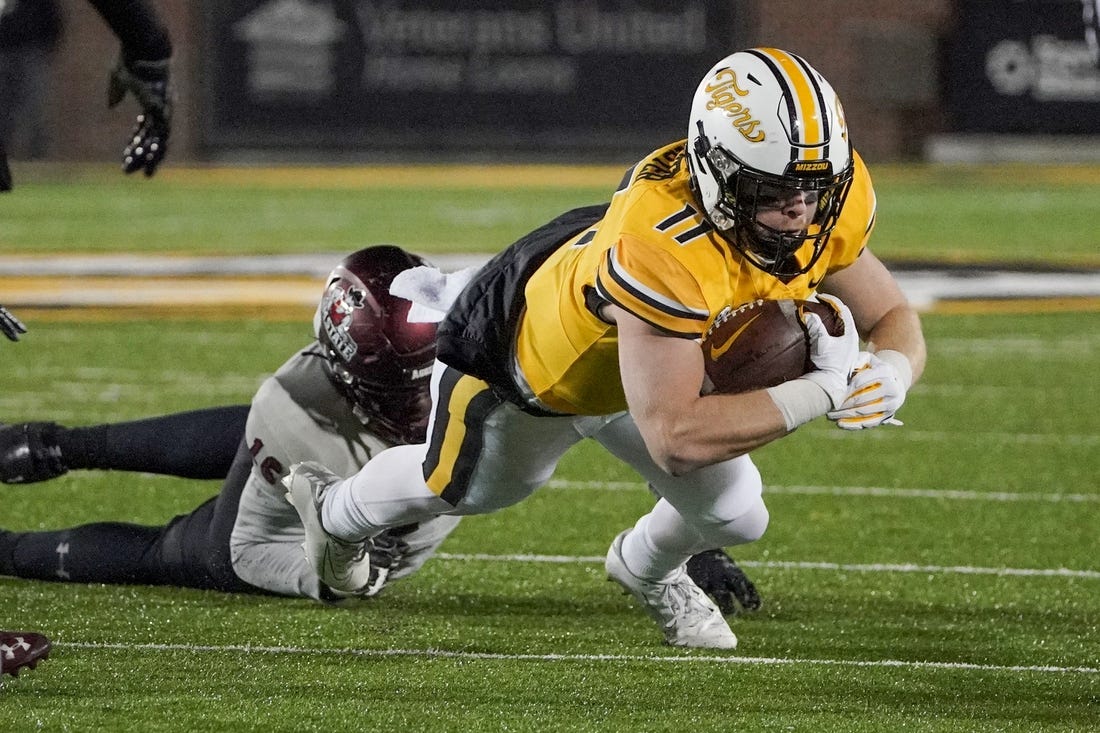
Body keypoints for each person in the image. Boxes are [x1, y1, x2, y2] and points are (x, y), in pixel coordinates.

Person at [281, 47, 927, 649]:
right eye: (774, 193)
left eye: (813, 189)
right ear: (717, 173)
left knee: (737, 515)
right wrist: (821, 389)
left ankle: (646, 567)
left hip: (652, 362)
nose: (799, 212)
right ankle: (334, 513)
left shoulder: (818, 198)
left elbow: (893, 312)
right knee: (463, 488)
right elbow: (675, 438)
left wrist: (893, 370)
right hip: (532, 364)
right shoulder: (661, 246)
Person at [0, 246, 461, 601]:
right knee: (170, 552)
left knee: (260, 439)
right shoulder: (293, 413)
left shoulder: (459, 350)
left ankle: (54, 445)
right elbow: (278, 559)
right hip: (254, 542)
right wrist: (340, 576)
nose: (423, 401)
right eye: (403, 385)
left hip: (312, 444)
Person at [0, 0, 172, 193]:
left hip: (28, 45)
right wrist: (146, 44)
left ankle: (37, 159)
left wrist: (146, 45)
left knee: (31, 109)